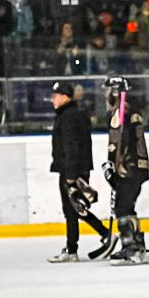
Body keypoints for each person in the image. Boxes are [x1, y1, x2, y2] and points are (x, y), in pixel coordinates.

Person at [48, 81, 111, 263]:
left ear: (64, 97)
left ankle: (79, 246)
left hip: (71, 170)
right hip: (76, 168)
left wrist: (70, 175)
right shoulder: (73, 114)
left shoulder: (68, 117)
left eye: (55, 96)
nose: (52, 99)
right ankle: (96, 237)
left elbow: (71, 147)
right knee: (74, 208)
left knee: (72, 209)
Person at [101, 76, 149, 265]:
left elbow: (119, 142)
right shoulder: (133, 111)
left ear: (115, 92)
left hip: (127, 169)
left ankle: (130, 248)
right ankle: (138, 245)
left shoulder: (120, 113)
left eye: (108, 90)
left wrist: (113, 165)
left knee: (122, 208)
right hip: (138, 168)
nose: (105, 94)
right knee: (128, 207)